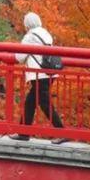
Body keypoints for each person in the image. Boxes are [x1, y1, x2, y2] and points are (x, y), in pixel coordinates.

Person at [13, 12, 65, 141]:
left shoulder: (30, 37)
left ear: (27, 24)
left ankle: (62, 132)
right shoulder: (45, 33)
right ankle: (23, 132)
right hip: (50, 72)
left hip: (39, 75)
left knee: (45, 104)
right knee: (30, 103)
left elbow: (19, 57)